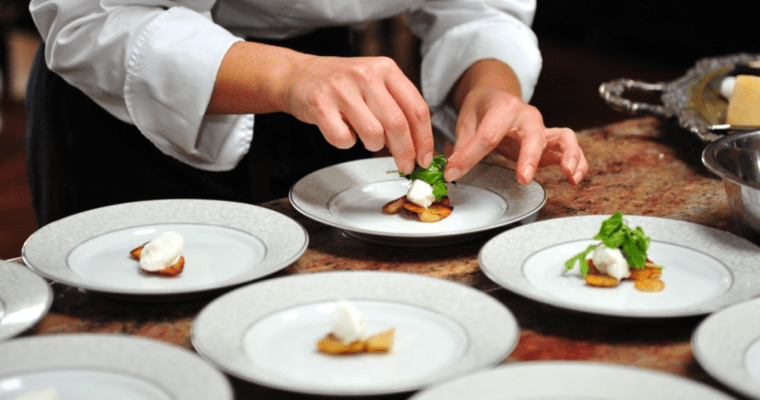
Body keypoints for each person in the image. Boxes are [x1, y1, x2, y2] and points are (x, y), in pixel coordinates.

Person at [26, 0, 588, 227]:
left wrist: (489, 88)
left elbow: (477, 9)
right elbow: (88, 20)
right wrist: (289, 76)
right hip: (132, 94)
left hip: (334, 94)